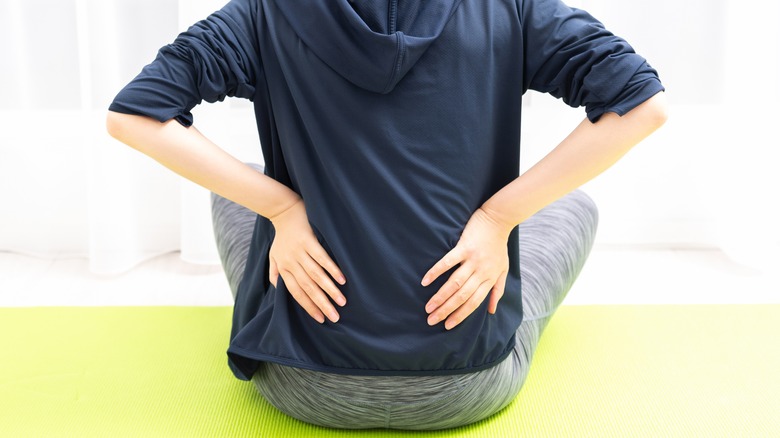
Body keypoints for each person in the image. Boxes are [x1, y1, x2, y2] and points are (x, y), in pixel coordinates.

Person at [106, 0, 667, 430]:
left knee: (240, 190)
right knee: (574, 204)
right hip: (464, 387)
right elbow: (642, 103)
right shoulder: (510, 6)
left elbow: (134, 115)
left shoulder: (265, 8)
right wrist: (498, 220)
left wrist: (282, 208)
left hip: (302, 383)